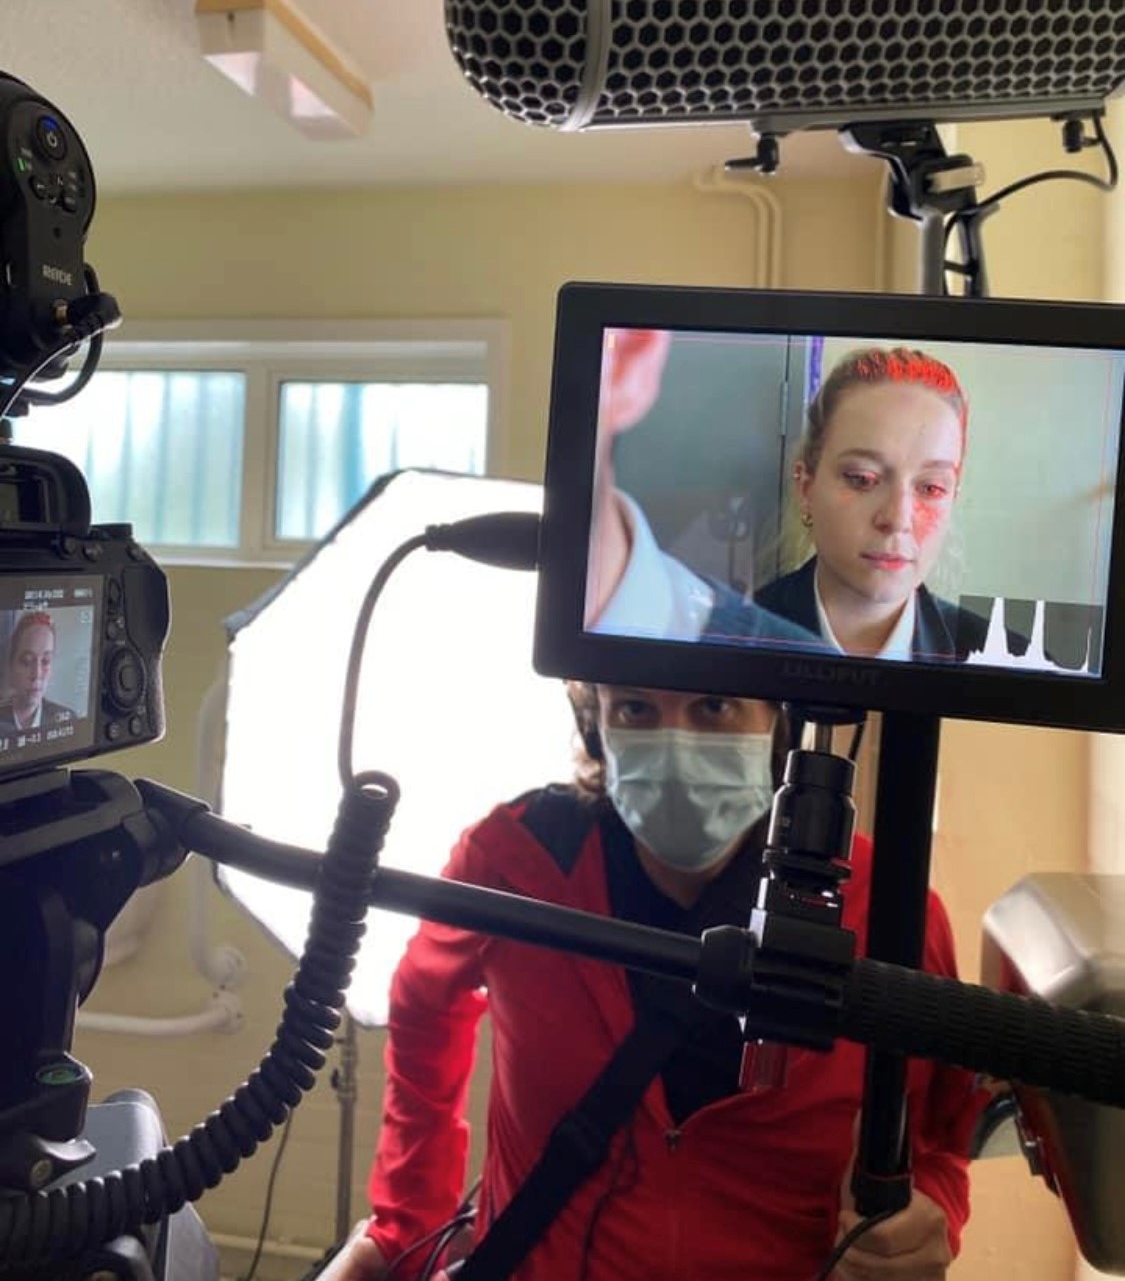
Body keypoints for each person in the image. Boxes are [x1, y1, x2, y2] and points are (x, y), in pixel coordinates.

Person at [322, 683, 983, 1281]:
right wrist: (406, 1221)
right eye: (636, 707)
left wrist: (930, 1215)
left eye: (714, 705)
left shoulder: (887, 910)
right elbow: (422, 1000)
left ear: (775, 721)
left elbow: (942, 1127)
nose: (677, 742)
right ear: (595, 722)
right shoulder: (516, 860)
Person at [586, 327, 824, 651]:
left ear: (630, 362)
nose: (895, 517)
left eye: (922, 487)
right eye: (860, 478)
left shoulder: (785, 665)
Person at [756, 346, 997, 662]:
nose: (897, 518)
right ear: (806, 486)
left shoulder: (1009, 669)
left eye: (931, 488)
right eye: (862, 479)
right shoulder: (721, 640)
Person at [0, 611, 75, 735]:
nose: (37, 674)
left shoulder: (68, 720)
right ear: (11, 664)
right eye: (27, 661)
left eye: (45, 661)